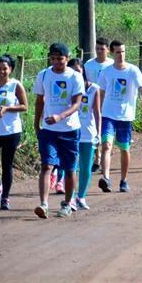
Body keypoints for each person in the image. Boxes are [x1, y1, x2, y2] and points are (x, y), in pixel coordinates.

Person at [33, 43, 84, 219]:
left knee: (69, 169)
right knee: (47, 165)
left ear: (67, 58)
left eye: (60, 59)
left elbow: (77, 104)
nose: (56, 62)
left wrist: (60, 117)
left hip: (69, 129)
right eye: (53, 59)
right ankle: (44, 204)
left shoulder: (75, 77)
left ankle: (68, 203)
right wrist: (36, 123)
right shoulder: (44, 74)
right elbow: (39, 100)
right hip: (48, 129)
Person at [97, 40, 142, 193]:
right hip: (108, 114)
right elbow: (101, 92)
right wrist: (97, 112)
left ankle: (123, 180)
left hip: (126, 115)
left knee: (124, 148)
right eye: (118, 52)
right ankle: (106, 178)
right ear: (112, 53)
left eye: (123, 52)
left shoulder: (133, 70)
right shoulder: (106, 71)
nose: (121, 55)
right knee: (106, 145)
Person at [0, 55, 27, 210]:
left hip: (11, 131)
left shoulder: (15, 85)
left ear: (11, 70)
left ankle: (5, 198)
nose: (1, 71)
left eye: (5, 69)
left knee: (7, 164)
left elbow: (24, 106)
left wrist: (8, 108)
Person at [67, 59, 100, 210]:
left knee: (86, 167)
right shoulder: (67, 88)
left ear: (83, 72)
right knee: (72, 166)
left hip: (88, 133)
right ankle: (71, 197)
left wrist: (98, 133)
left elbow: (97, 113)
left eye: (78, 71)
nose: (77, 75)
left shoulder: (94, 89)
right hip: (71, 131)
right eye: (73, 72)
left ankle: (81, 196)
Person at [84, 37, 112, 172]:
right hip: (93, 100)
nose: (99, 51)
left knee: (104, 128)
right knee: (93, 127)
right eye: (97, 48)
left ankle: (104, 151)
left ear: (108, 49)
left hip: (109, 102)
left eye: (102, 48)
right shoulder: (88, 65)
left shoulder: (112, 64)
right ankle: (97, 156)